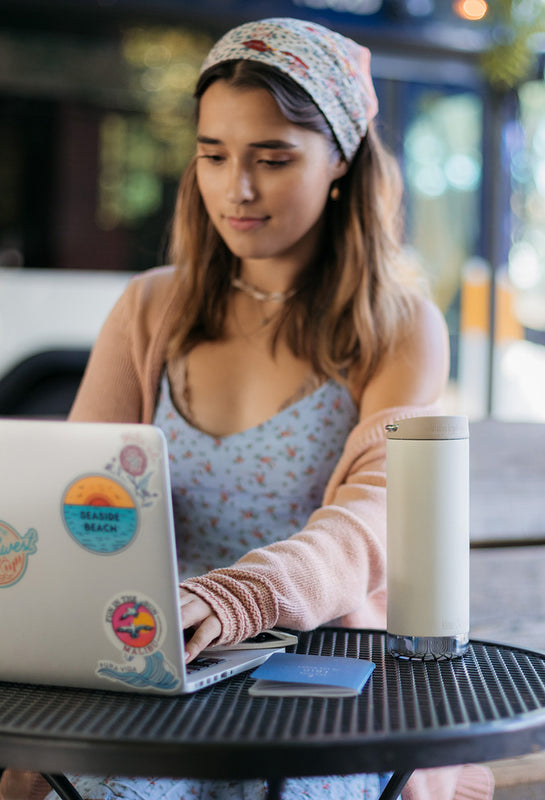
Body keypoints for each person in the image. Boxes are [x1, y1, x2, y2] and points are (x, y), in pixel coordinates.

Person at [0, 17, 494, 800]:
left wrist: (240, 599)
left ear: (339, 160)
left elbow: (379, 515)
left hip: (318, 675)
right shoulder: (149, 307)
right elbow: (74, 500)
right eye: (213, 155)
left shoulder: (395, 324)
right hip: (152, 665)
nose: (238, 188)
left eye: (272, 157)